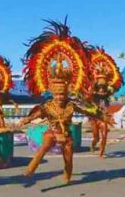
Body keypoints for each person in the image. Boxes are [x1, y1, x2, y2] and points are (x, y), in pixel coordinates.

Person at [18, 18, 101, 184]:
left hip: (66, 135)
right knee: (46, 142)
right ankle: (31, 167)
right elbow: (37, 113)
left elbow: (86, 111)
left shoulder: (71, 106)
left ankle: (67, 175)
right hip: (52, 132)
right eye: (57, 93)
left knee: (68, 157)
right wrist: (27, 119)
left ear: (67, 91)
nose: (60, 96)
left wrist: (99, 114)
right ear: (52, 91)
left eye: (63, 93)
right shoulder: (48, 105)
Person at [87, 47, 122, 156]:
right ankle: (93, 145)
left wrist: (113, 85)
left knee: (104, 135)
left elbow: (116, 87)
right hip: (94, 117)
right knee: (96, 137)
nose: (102, 88)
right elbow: (88, 96)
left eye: (103, 85)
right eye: (100, 86)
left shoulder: (108, 92)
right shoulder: (92, 93)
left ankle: (101, 152)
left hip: (103, 117)